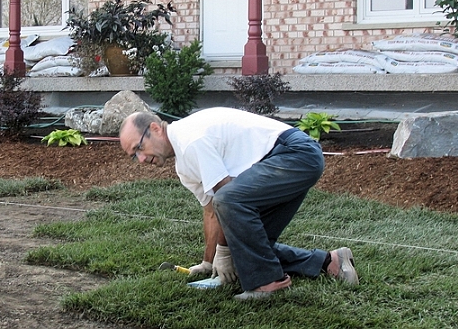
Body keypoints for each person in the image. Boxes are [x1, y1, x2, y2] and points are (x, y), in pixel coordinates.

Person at [119, 108, 359, 300]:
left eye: (139, 147)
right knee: (246, 247)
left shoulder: (189, 139)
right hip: (283, 161)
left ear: (155, 128)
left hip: (295, 154)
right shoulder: (184, 166)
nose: (140, 159)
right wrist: (209, 260)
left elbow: (226, 195)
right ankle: (330, 261)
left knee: (230, 205)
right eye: (133, 155)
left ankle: (266, 283)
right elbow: (211, 211)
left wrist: (223, 252)